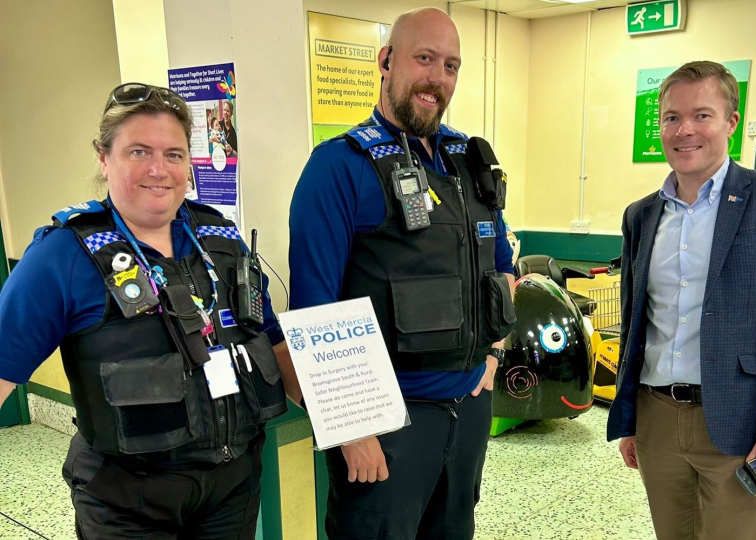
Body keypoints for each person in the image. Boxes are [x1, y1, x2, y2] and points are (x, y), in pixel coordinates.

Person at [0, 83, 291, 539]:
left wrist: (350, 425)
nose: (159, 169)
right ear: (104, 157)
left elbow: (273, 341)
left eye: (174, 154)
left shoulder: (221, 240)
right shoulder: (62, 255)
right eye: (139, 151)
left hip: (232, 489)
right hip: (127, 502)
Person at [287, 7, 515, 540]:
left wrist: (493, 353)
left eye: (451, 65)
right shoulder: (337, 167)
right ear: (386, 60)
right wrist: (350, 429)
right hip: (387, 421)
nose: (438, 78)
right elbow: (315, 310)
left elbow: (503, 268)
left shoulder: (469, 163)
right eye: (425, 58)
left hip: (469, 410)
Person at [607, 61, 756, 540]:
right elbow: (635, 323)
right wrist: (630, 420)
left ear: (732, 122)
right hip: (657, 418)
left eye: (702, 115)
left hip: (737, 421)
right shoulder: (641, 215)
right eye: (671, 118)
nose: (684, 130)